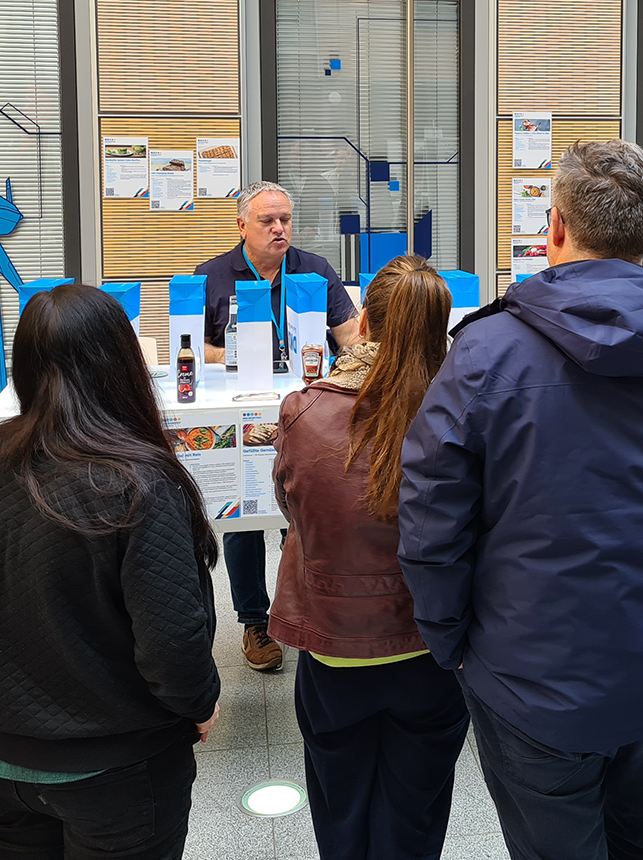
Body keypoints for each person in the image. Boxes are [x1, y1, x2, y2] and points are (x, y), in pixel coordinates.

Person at [398, 140, 643, 860]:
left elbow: (431, 521)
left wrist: (448, 638)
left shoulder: (481, 356)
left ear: (555, 228)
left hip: (524, 673)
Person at [0, 284, 222, 859]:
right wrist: (199, 704)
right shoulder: (140, 479)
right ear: (122, 363)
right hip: (116, 763)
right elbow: (172, 639)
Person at [269, 255, 467, 860]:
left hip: (334, 645)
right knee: (417, 810)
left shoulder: (304, 413)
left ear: (363, 323)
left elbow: (292, 508)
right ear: (443, 327)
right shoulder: (460, 414)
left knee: (340, 806)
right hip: (430, 646)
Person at [192, 180, 361, 672]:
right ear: (241, 224)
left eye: (285, 219)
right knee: (243, 518)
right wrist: (245, 356)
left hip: (310, 411)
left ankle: (306, 610)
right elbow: (193, 346)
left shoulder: (314, 269)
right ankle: (254, 622)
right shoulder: (212, 276)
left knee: (304, 510)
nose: (279, 228)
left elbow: (348, 336)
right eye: (267, 221)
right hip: (241, 411)